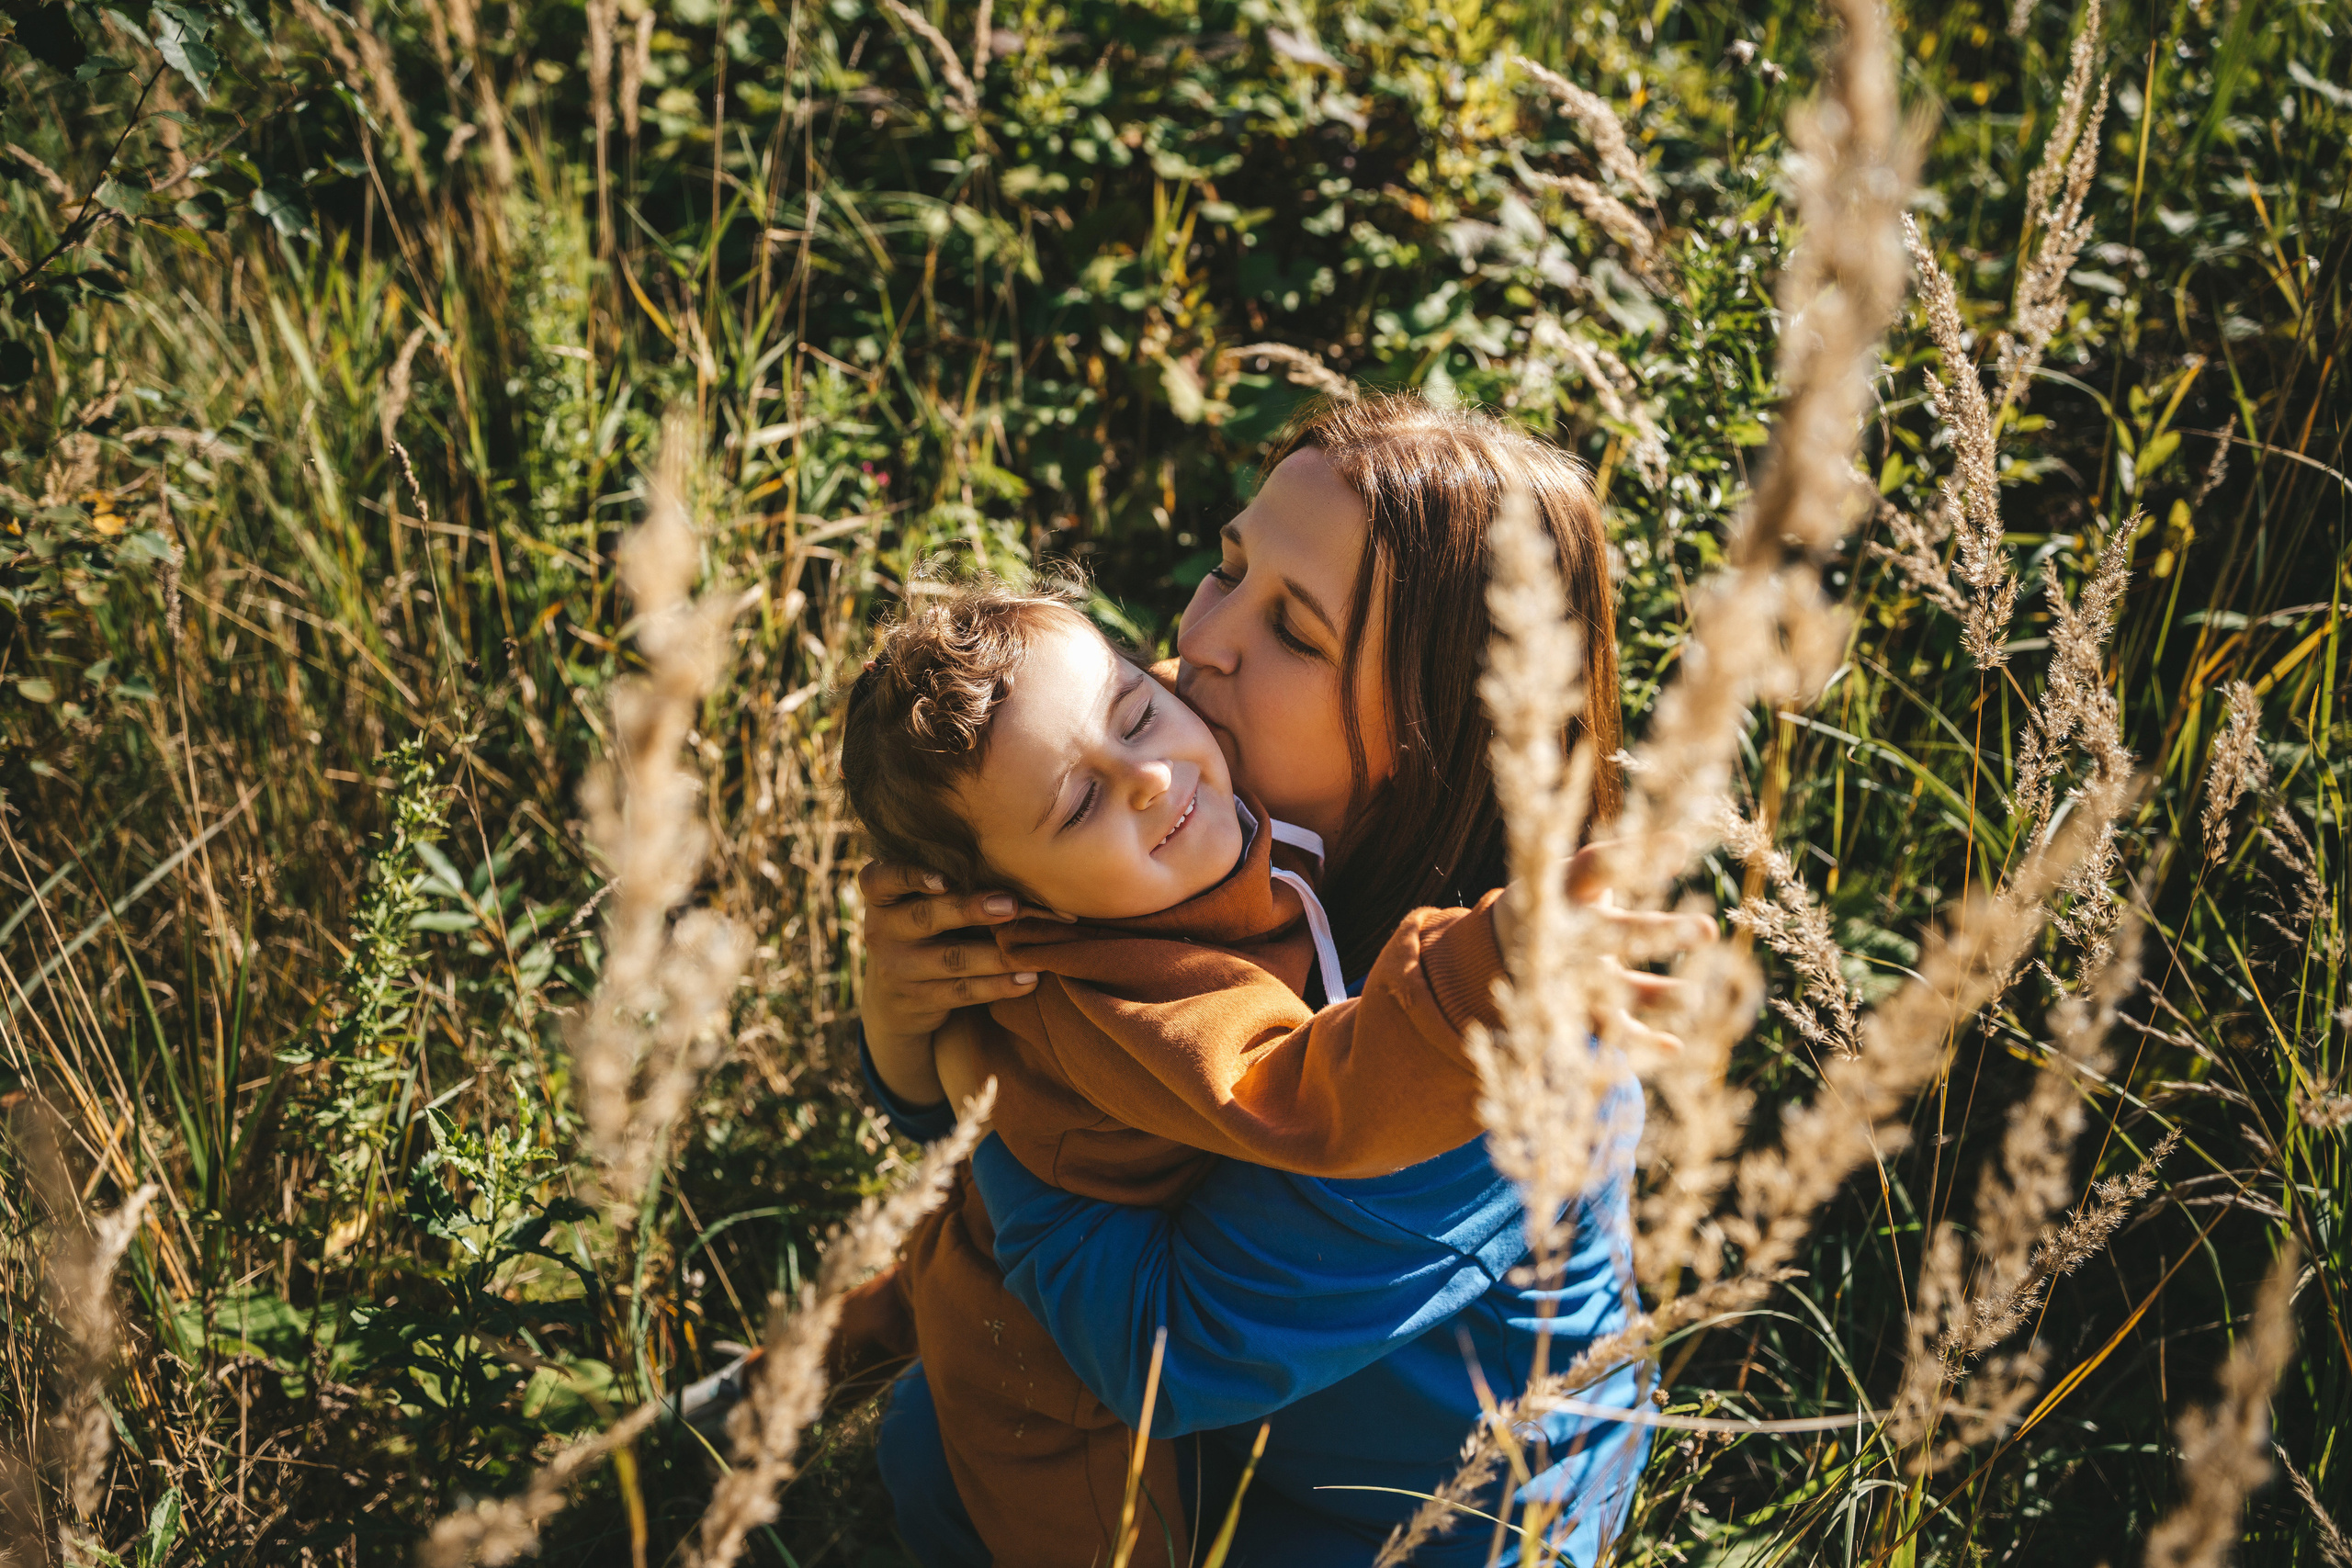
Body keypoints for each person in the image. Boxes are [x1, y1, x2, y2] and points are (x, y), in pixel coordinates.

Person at [857, 393, 1694, 1566]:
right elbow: (1076, 1073)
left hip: (1418, 1506)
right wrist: (910, 1014)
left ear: (1435, 726)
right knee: (935, 1443)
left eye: (1295, 632)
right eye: (1228, 565)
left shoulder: (1496, 1042)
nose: (1202, 640)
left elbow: (1161, 1353)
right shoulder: (1161, 758)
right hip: (1241, 1434)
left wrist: (984, 1070)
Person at [834, 579, 1515, 1566]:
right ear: (1012, 909)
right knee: (1101, 1540)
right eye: (1080, 806)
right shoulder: (1132, 995)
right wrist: (1477, 970)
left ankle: (804, 1363)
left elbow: (1081, 727)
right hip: (1043, 1375)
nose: (1147, 776)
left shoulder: (1120, 755)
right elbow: (1292, 1095)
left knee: (902, 1315)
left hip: (1431, 1443)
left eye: (1139, 711)